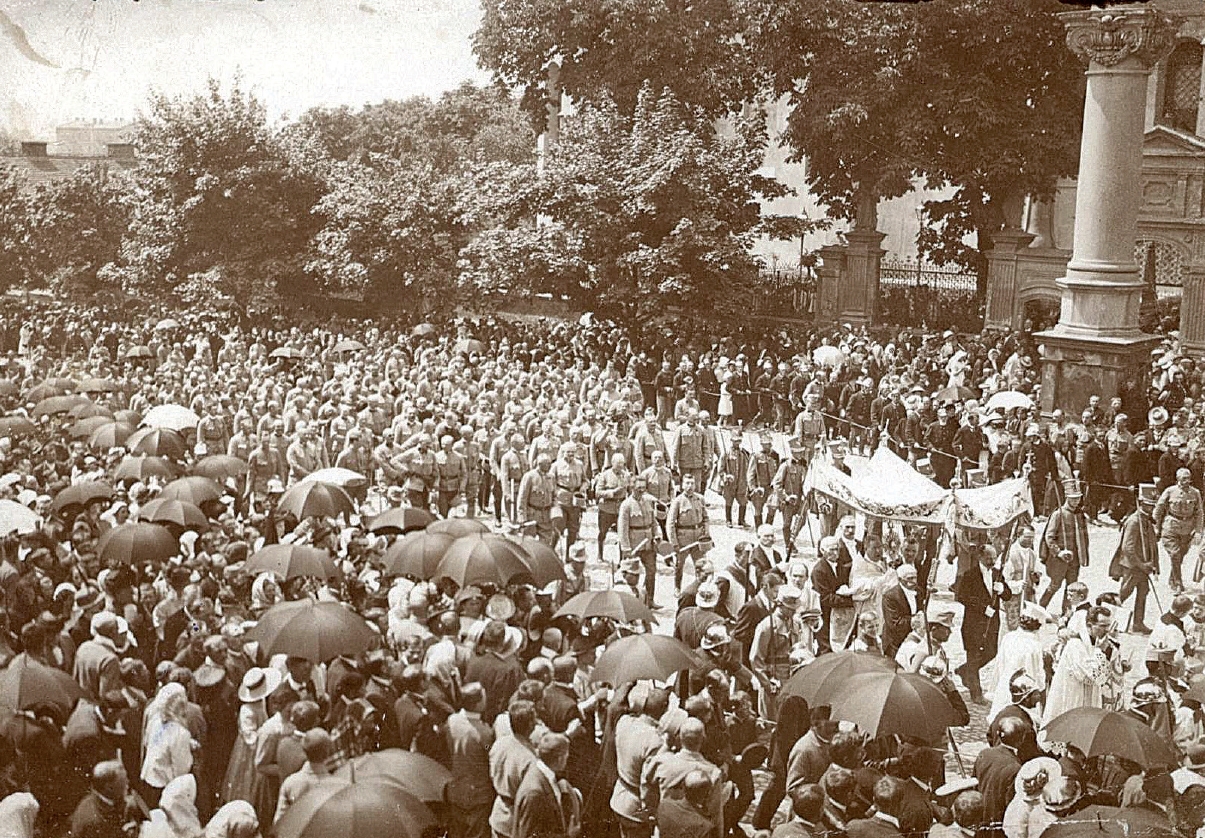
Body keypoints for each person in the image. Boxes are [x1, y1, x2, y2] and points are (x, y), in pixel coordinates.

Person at [955, 546, 1011, 704]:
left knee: (991, 652)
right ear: (980, 557)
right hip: (973, 624)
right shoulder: (970, 575)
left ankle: (964, 670)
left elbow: (1008, 596)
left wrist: (1002, 590)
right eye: (989, 558)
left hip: (992, 623)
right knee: (973, 656)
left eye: (994, 558)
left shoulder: (997, 574)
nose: (992, 561)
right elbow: (962, 596)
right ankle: (976, 692)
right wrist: (981, 608)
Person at [1043, 606, 1116, 724]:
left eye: (1109, 625)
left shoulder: (1099, 643)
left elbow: (1106, 676)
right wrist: (1100, 652)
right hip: (1073, 698)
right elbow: (1094, 677)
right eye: (1102, 626)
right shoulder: (1075, 646)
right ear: (1089, 625)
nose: (1107, 630)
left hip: (1090, 699)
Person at [445, 682, 496, 838]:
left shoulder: (452, 721)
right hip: (479, 795)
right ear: (478, 703)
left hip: (457, 790)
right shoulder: (485, 733)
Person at [1112, 483, 1160, 633]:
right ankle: (1110, 620)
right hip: (1133, 566)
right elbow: (1128, 548)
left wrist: (1152, 565)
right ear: (1141, 504)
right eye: (1148, 505)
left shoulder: (1146, 520)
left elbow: (1151, 544)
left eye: (1153, 505)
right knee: (1123, 594)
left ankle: (1138, 623)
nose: (1151, 508)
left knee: (1143, 592)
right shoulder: (1134, 521)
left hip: (1144, 566)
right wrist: (1142, 564)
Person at [514, 733, 577, 838]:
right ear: (560, 759)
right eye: (566, 756)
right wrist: (568, 836)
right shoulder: (534, 793)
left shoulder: (542, 774)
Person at [1039, 485, 1090, 611]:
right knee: (1054, 585)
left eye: (1078, 498)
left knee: (1072, 588)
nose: (1076, 501)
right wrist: (1059, 552)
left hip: (1075, 559)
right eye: (1073, 498)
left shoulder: (1080, 515)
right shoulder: (1058, 514)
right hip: (1060, 560)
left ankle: (1066, 613)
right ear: (1067, 497)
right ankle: (1040, 609)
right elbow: (1049, 537)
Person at [973, 717, 1025, 838]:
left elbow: (974, 783)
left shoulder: (984, 753)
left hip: (979, 818)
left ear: (999, 735)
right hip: (999, 824)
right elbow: (1012, 804)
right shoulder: (1016, 767)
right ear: (1021, 739)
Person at [1154, 467, 1203, 593]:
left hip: (1187, 529)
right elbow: (1158, 509)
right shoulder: (1170, 491)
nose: (1187, 481)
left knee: (1180, 556)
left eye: (1188, 479)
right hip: (1171, 527)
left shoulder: (1195, 493)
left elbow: (1199, 513)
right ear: (1178, 479)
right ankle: (1178, 583)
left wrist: (1198, 531)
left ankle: (1172, 578)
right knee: (1175, 554)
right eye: (1183, 479)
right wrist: (1155, 527)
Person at [667, 473, 710, 595]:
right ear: (682, 485)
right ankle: (677, 587)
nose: (690, 486)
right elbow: (670, 524)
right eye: (687, 483)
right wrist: (674, 543)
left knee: (701, 565)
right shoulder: (677, 501)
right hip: (683, 539)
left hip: (698, 538)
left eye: (692, 483)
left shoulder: (700, 499)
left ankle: (700, 588)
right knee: (679, 566)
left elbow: (706, 518)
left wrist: (706, 533)